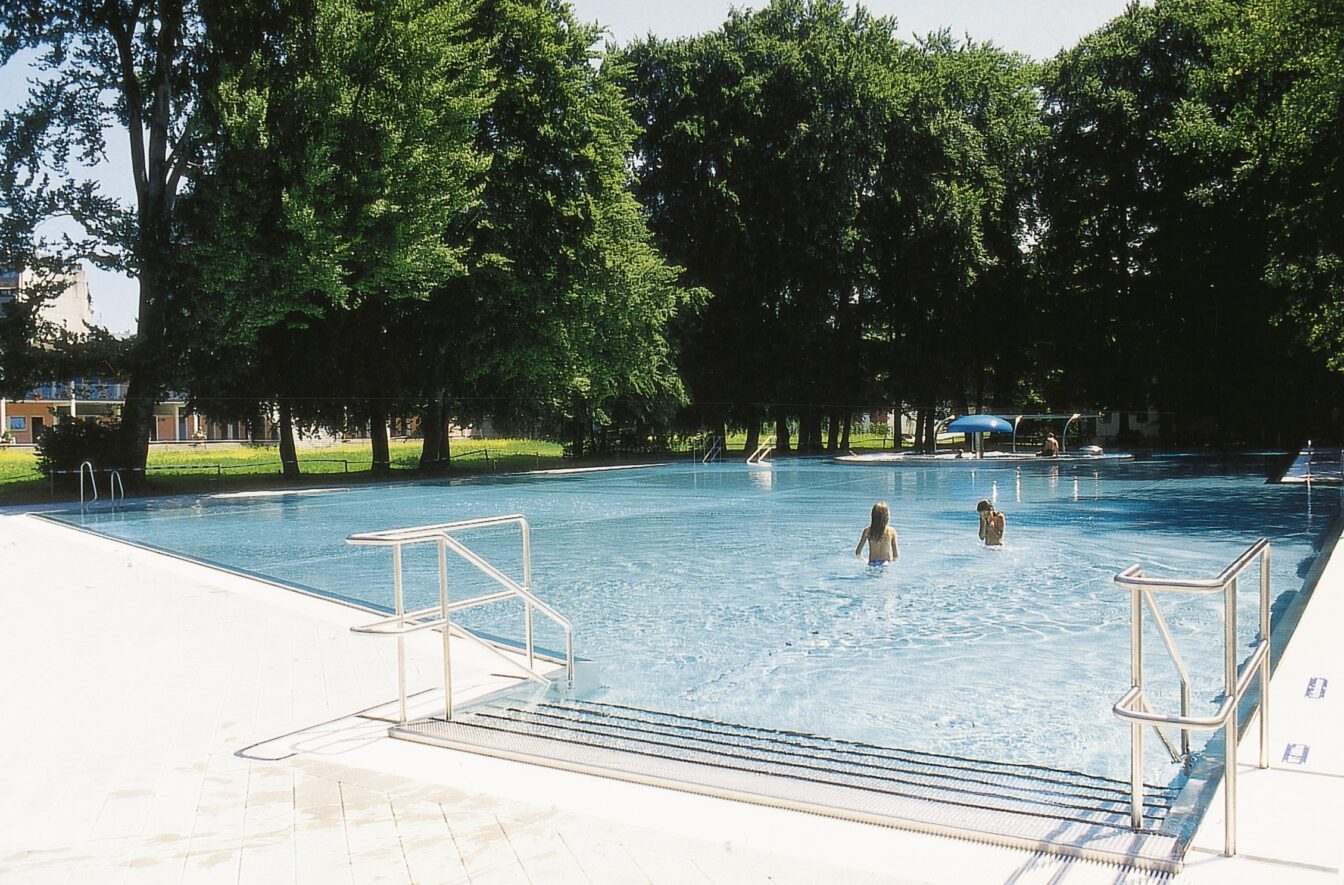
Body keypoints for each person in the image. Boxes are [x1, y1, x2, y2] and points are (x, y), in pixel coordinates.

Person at [855, 501, 900, 566]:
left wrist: (865, 561)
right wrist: (891, 563)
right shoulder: (891, 531)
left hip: (872, 563)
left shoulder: (867, 531)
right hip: (885, 564)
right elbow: (895, 556)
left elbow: (858, 552)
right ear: (887, 516)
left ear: (872, 516)